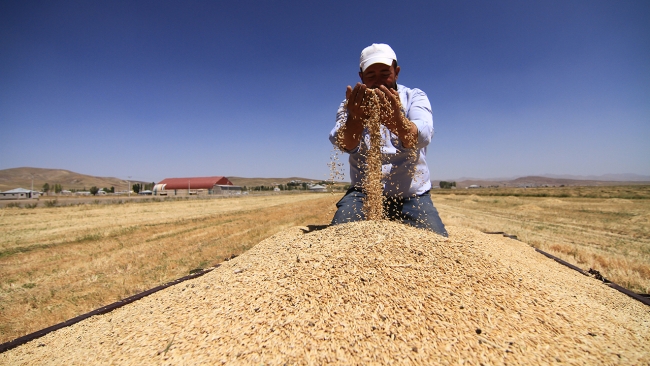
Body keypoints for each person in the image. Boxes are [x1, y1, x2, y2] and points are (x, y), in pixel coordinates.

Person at [329, 43, 448, 237]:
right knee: (339, 239)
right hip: (363, 195)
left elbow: (424, 134)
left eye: (385, 73)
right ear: (361, 77)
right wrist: (356, 120)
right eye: (371, 75)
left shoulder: (414, 97)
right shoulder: (351, 104)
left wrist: (398, 122)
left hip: (411, 197)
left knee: (435, 243)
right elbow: (343, 143)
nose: (378, 82)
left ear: (397, 72)